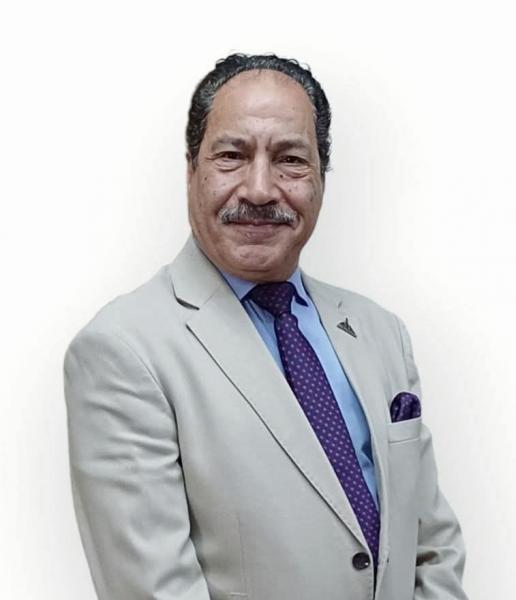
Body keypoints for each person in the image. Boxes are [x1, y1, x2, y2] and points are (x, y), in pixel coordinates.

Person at [63, 53, 468, 600]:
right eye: (231, 156)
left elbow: (431, 544)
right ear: (191, 170)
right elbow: (155, 590)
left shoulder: (380, 332)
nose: (259, 189)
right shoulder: (123, 350)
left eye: (290, 160)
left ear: (320, 177)